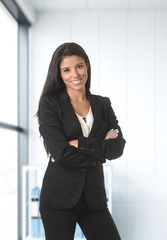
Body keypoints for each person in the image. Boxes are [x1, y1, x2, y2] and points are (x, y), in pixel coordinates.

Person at [36, 42, 126, 240]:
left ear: (87, 65)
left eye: (79, 66)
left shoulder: (103, 104)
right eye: (66, 70)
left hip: (93, 199)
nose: (75, 75)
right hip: (58, 199)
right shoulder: (50, 104)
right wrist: (101, 149)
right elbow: (61, 153)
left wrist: (80, 143)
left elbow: (117, 147)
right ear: (59, 74)